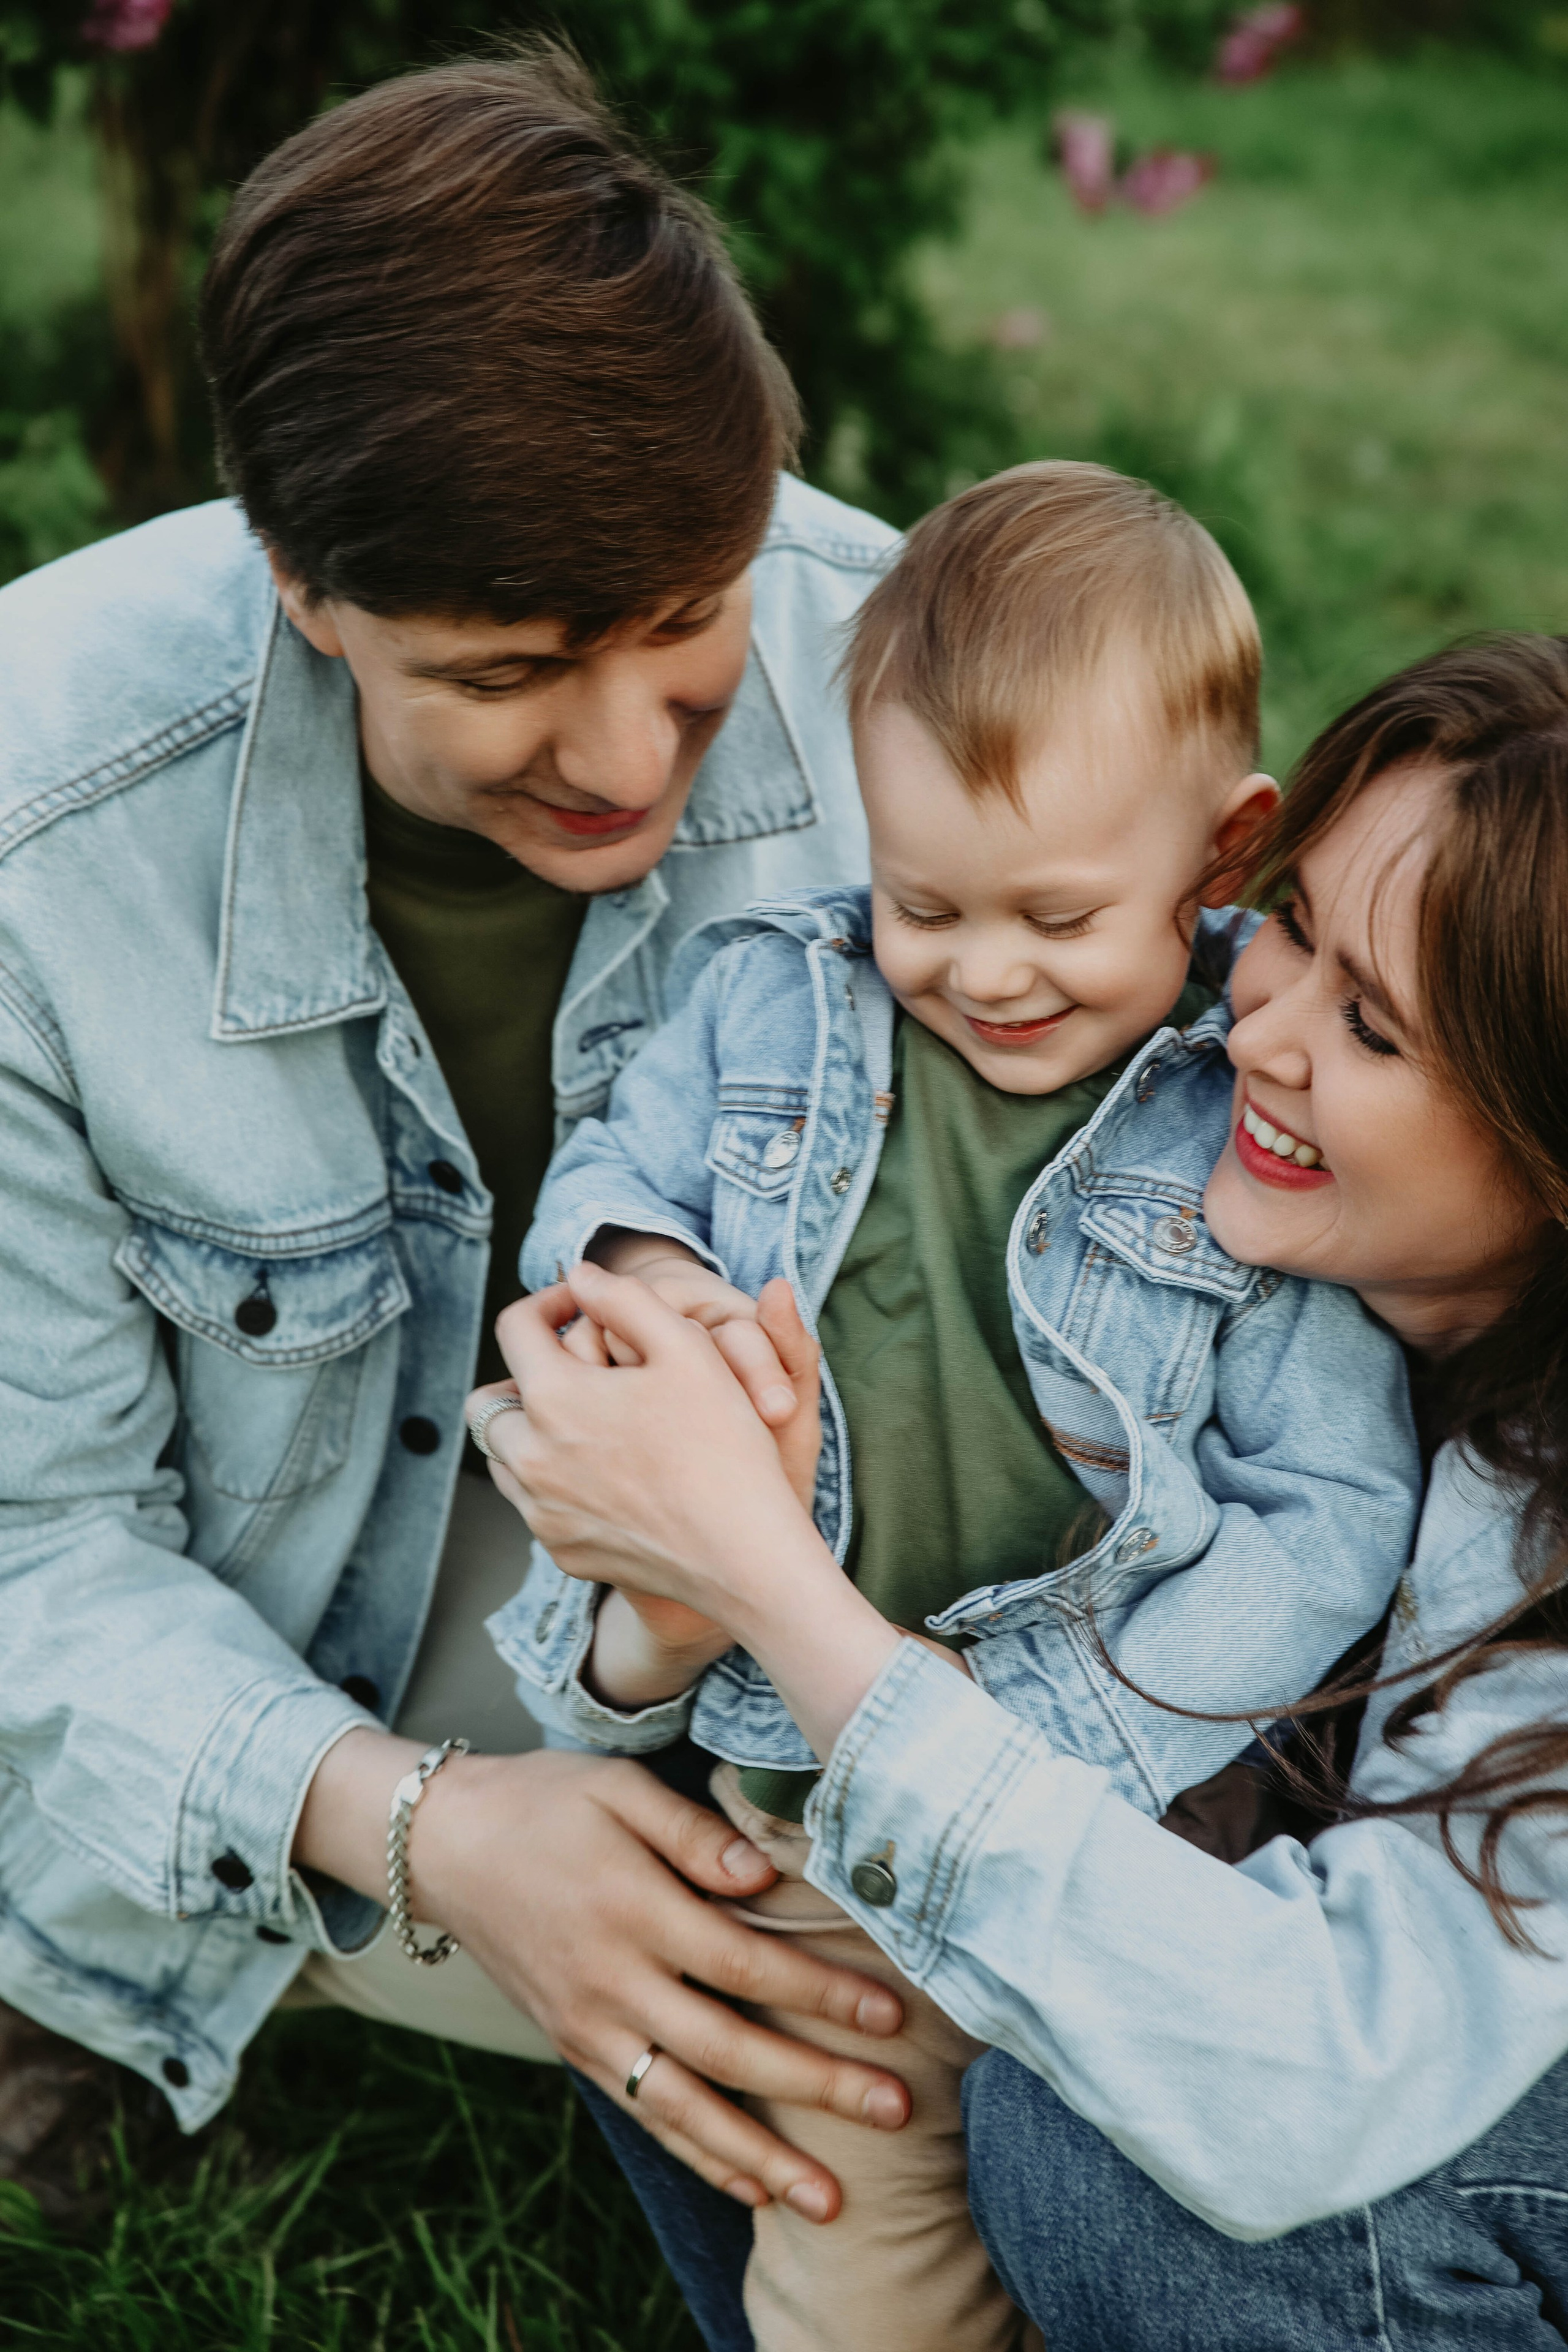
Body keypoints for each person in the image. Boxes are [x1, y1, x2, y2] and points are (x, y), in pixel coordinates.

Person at [0, 41, 920, 2248]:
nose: (625, 759)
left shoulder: (917, 684)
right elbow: (27, 1548)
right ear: (305, 586)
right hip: (258, 1620)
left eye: (685, 626)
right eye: (512, 670)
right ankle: (99, 1976)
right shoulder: (37, 822)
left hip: (732, 1626)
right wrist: (430, 1832)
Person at [475, 635, 1568, 2350]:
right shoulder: (1160, 1158)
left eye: (1369, 1024)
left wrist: (779, 1595)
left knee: (1096, 2143)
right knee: (707, 1907)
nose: (1257, 1027)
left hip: (1442, 2067)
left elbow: (1311, 2069)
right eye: (1285, 924)